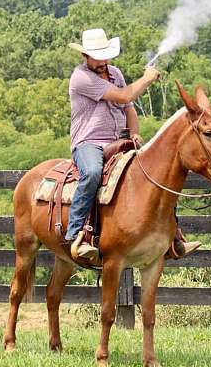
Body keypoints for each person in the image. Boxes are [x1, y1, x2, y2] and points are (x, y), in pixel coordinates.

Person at [65, 28, 200, 261]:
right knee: (92, 172)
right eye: (97, 56)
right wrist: (146, 79)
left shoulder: (115, 73)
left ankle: (172, 235)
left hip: (119, 141)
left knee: (158, 173)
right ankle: (77, 232)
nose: (103, 61)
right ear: (85, 56)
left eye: (105, 55)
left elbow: (129, 109)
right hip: (89, 143)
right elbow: (124, 97)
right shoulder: (81, 77)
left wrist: (134, 134)